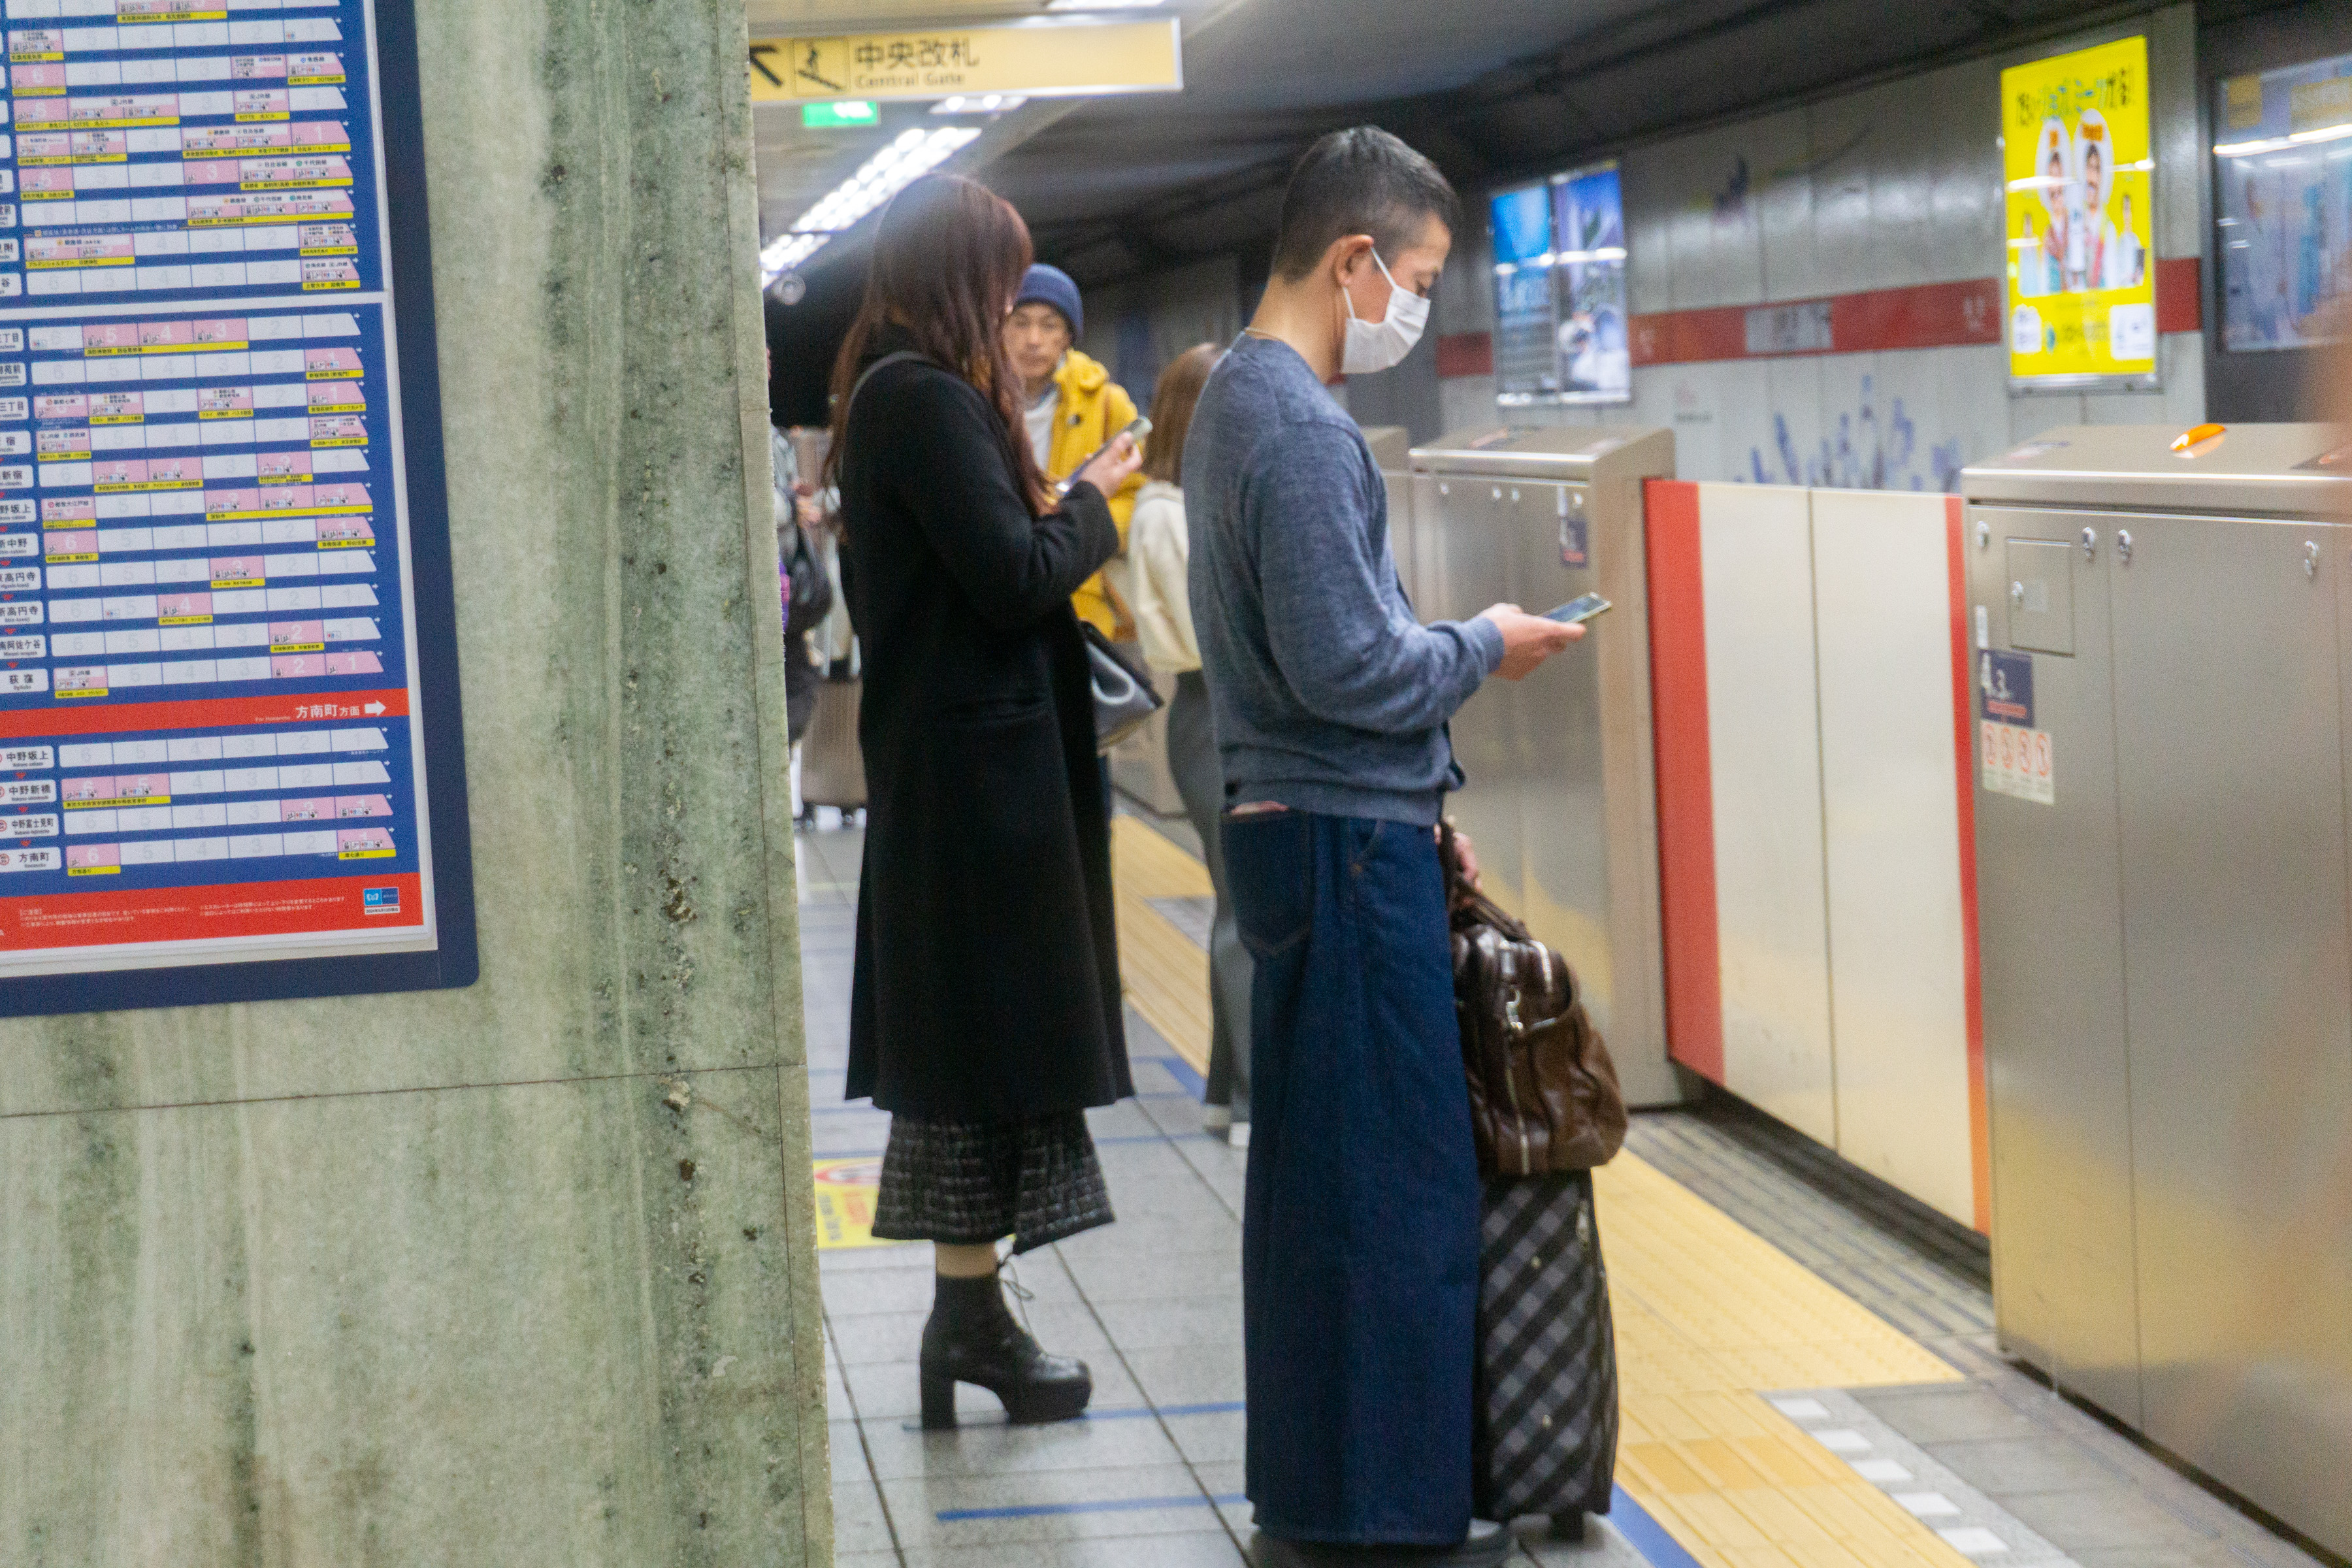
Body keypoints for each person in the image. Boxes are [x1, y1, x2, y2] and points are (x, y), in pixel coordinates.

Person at [1186, 127, 1582, 1567]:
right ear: (1353, 259)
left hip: (1324, 830)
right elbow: (1348, 664)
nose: (1414, 306)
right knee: (1395, 1189)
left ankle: (1319, 1491)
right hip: (1343, 853)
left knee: (1319, 1186)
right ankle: (1386, 1518)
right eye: (1414, 278)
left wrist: (1427, 800)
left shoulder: (1235, 400)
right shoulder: (1297, 427)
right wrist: (1485, 644)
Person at [825, 172, 1146, 1429]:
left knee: (975, 1063)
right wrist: (1093, 501)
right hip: (977, 799)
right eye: (1004, 284)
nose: (1016, 309)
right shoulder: (921, 398)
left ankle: (970, 1321)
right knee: (979, 1059)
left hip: (971, 781)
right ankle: (970, 1326)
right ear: (962, 278)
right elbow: (1015, 578)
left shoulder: (903, 393)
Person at [1126, 342, 1252, 1146]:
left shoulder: (1196, 503)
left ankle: (1224, 1092)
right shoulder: (1167, 515)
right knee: (1247, 911)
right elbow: (1216, 637)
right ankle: (1254, 1103)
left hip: (1224, 715)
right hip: (1214, 715)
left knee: (1241, 906)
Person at [1003, 262, 1145, 638]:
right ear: (1000, 330)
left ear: (1068, 336)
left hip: (1080, 599)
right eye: (1020, 323)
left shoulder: (1108, 403)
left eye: (1049, 325)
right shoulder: (974, 399)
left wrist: (1079, 526)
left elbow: (1138, 495)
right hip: (1001, 593)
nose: (1033, 339)